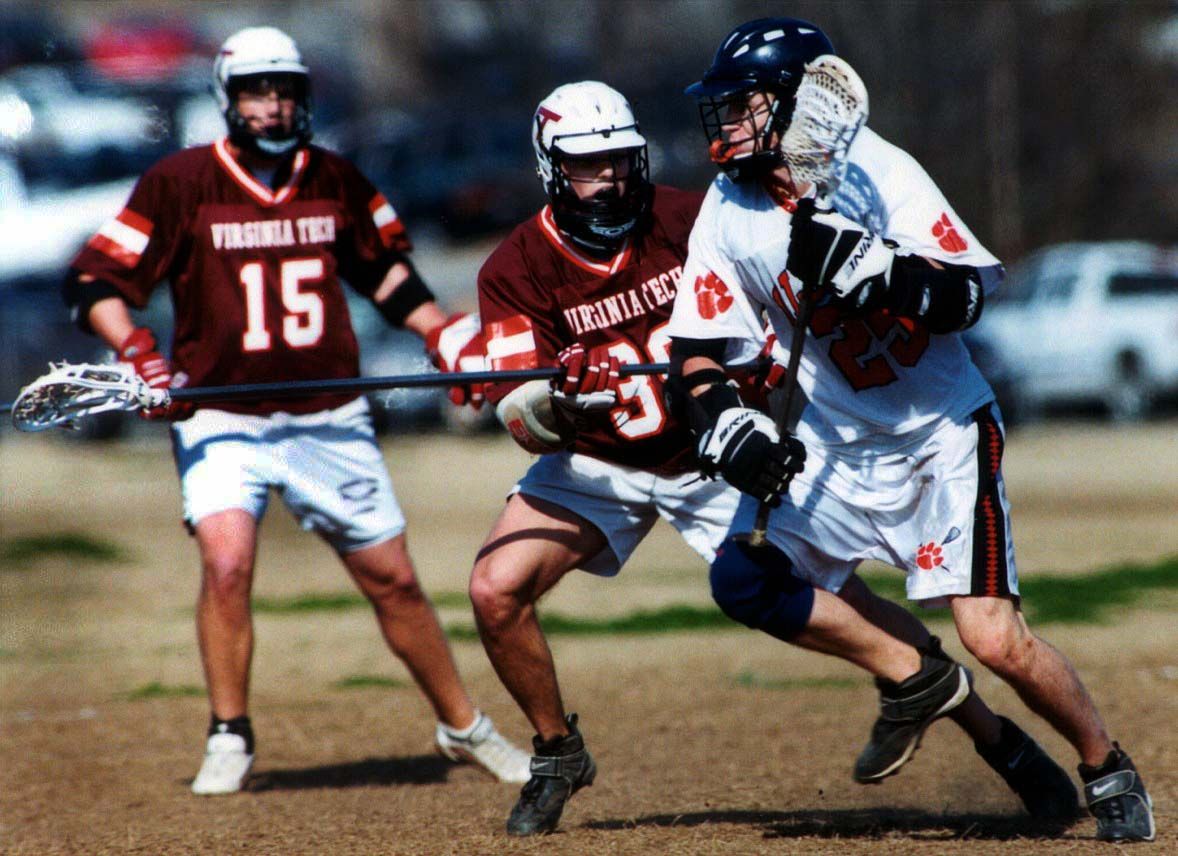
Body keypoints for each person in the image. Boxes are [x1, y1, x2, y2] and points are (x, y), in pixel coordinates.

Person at [466, 81, 1075, 838]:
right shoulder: (515, 267)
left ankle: (995, 738)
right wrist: (563, 400)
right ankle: (558, 752)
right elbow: (524, 421)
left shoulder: (697, 217)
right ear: (551, 169)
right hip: (601, 457)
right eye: (590, 166)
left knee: (838, 602)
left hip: (715, 452)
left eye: (621, 160)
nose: (612, 180)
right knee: (494, 588)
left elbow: (778, 321)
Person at [667, 17, 1155, 843]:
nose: (730, 123)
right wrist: (724, 426)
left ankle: (1106, 766)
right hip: (834, 445)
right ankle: (918, 679)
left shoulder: (879, 172)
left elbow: (969, 296)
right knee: (745, 579)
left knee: (993, 639)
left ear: (797, 104)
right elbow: (694, 352)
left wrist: (878, 270)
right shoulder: (729, 204)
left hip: (939, 436)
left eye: (746, 105)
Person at [62, 25, 528, 795]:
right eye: (257, 92)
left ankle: (462, 725)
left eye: (284, 91)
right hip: (221, 414)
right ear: (228, 99)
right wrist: (138, 350)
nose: (273, 107)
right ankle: (229, 732)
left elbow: (386, 275)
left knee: (394, 581)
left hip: (326, 412)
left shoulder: (334, 177)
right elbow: (95, 281)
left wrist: (442, 332)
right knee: (227, 561)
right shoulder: (182, 181)